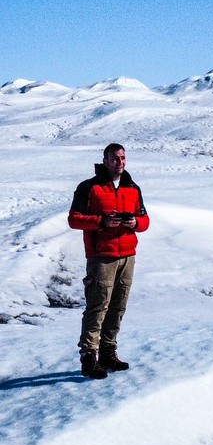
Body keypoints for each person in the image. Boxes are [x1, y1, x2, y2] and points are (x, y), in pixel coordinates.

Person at [68, 143, 150, 379]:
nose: (120, 163)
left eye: (123, 158)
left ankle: (108, 352)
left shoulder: (132, 188)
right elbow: (74, 219)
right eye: (115, 158)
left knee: (118, 306)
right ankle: (88, 357)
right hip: (101, 257)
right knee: (97, 306)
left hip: (127, 255)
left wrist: (135, 223)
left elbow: (145, 220)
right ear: (104, 160)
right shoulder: (89, 188)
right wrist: (102, 222)